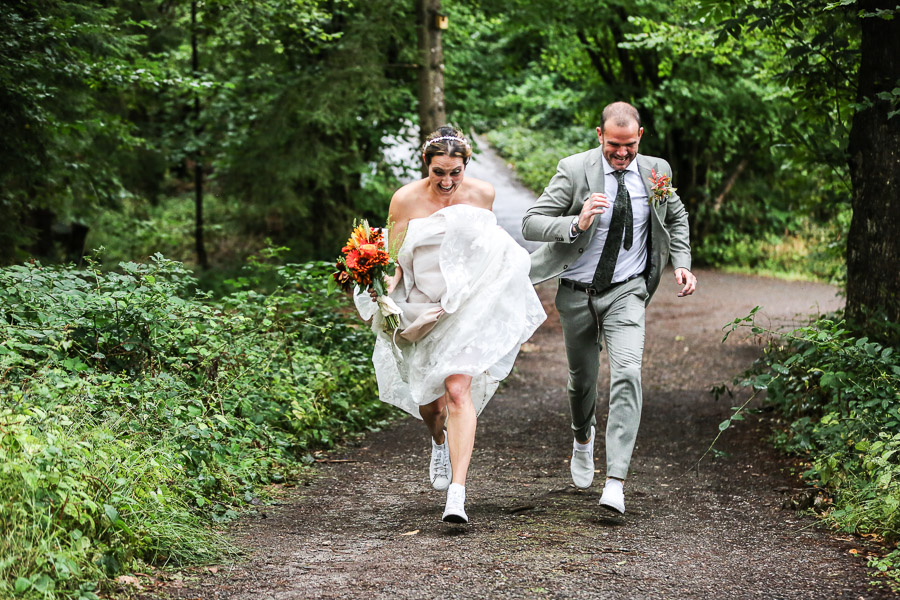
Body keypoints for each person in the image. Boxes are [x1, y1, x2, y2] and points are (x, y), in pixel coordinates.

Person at [357, 126, 546, 523]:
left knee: (458, 390)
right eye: (438, 172)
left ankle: (457, 495)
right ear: (426, 164)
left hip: (465, 306)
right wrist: (380, 287)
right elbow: (394, 259)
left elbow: (484, 250)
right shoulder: (405, 200)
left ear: (466, 165)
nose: (447, 182)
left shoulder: (483, 195)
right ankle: (438, 439)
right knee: (430, 402)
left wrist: (497, 293)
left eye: (455, 172)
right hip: (422, 307)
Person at [521, 102, 696, 514]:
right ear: (599, 136)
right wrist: (575, 222)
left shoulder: (658, 171)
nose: (622, 153)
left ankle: (615, 480)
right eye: (614, 145)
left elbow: (677, 215)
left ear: (641, 137)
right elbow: (531, 221)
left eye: (630, 145)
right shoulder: (573, 168)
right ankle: (582, 439)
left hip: (627, 291)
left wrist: (683, 263)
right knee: (582, 382)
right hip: (577, 291)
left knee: (629, 373)